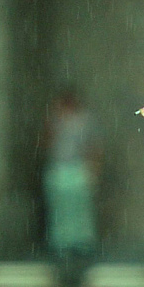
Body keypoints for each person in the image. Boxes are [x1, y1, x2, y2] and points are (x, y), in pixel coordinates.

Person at [43, 87, 101, 264]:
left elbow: (94, 145)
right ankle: (61, 243)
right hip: (59, 167)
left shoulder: (84, 120)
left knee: (80, 207)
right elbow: (47, 143)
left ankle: (82, 243)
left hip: (78, 167)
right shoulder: (55, 120)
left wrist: (93, 169)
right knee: (60, 208)